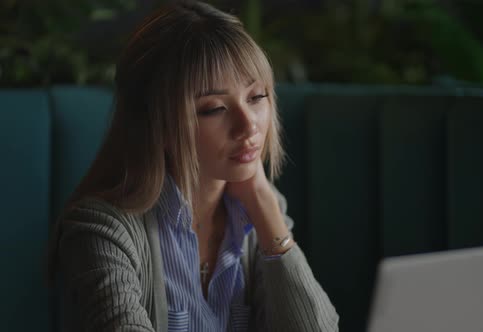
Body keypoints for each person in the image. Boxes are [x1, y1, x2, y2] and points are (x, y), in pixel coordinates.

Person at [49, 1, 338, 331]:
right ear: (157, 125)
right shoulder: (102, 232)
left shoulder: (258, 212)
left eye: (256, 97)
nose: (248, 126)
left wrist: (262, 201)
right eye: (214, 108)